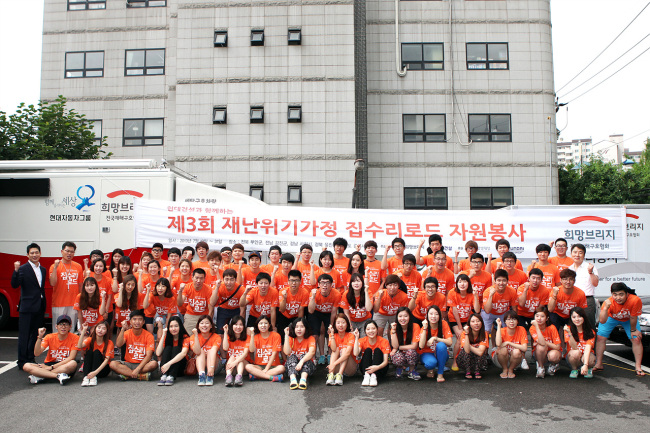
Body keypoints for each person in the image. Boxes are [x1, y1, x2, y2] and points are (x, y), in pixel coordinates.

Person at [595, 283, 645, 376]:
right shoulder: (608, 302)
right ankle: (599, 364)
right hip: (611, 318)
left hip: (628, 319)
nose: (618, 297)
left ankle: (638, 366)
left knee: (636, 339)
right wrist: (605, 308)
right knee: (601, 337)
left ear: (627, 294)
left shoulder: (635, 300)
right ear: (612, 294)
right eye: (615, 295)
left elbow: (633, 317)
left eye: (621, 294)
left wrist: (634, 330)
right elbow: (602, 321)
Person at [11, 243, 47, 370]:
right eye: (32, 253)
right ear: (27, 255)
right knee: (24, 335)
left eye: (36, 252)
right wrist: (15, 271)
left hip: (39, 306)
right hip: (26, 307)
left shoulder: (43, 269)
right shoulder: (22, 269)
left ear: (40, 253)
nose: (34, 255)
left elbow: (40, 288)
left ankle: (30, 358)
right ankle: (22, 361)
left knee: (35, 334)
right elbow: (14, 285)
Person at [23, 315, 79, 385]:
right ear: (56, 326)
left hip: (63, 364)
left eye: (66, 324)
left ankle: (41, 376)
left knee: (73, 363)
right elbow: (37, 353)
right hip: (49, 364)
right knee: (26, 366)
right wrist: (40, 337)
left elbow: (71, 357)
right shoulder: (49, 337)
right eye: (61, 324)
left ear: (70, 327)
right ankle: (57, 376)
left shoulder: (75, 338)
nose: (63, 327)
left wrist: (51, 367)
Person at [110, 310, 158, 380]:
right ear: (130, 321)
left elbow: (149, 356)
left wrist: (138, 369)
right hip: (128, 364)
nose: (137, 322)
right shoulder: (127, 333)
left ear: (143, 322)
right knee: (112, 364)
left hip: (143, 364)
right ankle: (140, 376)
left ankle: (127, 374)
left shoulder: (149, 336)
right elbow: (118, 344)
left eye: (140, 319)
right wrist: (123, 329)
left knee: (154, 364)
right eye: (134, 319)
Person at [548, 268, 588, 350]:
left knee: (576, 324)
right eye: (565, 279)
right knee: (553, 325)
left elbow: (581, 312)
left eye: (571, 279)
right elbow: (550, 309)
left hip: (571, 315)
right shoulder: (556, 290)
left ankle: (572, 348)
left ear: (574, 281)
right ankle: (556, 348)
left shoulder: (580, 293)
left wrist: (577, 321)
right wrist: (554, 295)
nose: (568, 282)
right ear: (561, 280)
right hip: (557, 314)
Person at [49, 241, 83, 333]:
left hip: (73, 304)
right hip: (58, 303)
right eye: (67, 251)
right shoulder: (54, 266)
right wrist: (56, 267)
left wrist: (80, 301)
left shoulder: (78, 266)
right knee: (58, 330)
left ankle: (69, 347)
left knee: (70, 329)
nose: (69, 253)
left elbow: (80, 285)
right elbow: (52, 283)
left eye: (72, 252)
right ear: (62, 251)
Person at [447, 274, 479, 370]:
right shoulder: (453, 292)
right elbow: (455, 311)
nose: (462, 284)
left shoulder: (471, 294)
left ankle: (468, 359)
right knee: (460, 337)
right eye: (460, 281)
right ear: (457, 283)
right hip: (455, 320)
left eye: (464, 281)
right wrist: (460, 327)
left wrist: (476, 296)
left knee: (467, 338)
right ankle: (455, 361)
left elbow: (477, 310)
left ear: (468, 283)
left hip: (467, 320)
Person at [308, 273, 342, 364]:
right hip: (316, 312)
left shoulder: (336, 294)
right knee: (315, 334)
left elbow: (334, 311)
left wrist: (331, 324)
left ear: (331, 285)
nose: (325, 285)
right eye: (322, 283)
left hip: (329, 313)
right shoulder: (314, 292)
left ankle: (330, 354)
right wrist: (313, 297)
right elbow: (310, 310)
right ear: (318, 284)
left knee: (330, 332)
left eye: (327, 283)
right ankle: (319, 355)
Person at [482, 269, 518, 345]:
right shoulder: (488, 291)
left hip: (503, 313)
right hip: (489, 313)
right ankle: (485, 352)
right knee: (486, 330)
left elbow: (514, 309)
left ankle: (506, 347)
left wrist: (514, 320)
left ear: (507, 281)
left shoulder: (512, 291)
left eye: (504, 280)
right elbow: (487, 310)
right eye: (499, 280)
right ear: (495, 281)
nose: (501, 283)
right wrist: (491, 296)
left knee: (507, 329)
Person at [246, 315, 285, 382]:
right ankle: (271, 377)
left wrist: (266, 369)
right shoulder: (255, 337)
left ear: (269, 325)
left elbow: (274, 354)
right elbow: (251, 350)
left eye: (266, 323)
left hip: (274, 366)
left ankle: (257, 375)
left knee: (282, 368)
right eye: (261, 323)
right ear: (257, 326)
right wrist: (252, 335)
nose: (263, 325)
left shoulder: (276, 336)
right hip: (259, 366)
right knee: (248, 366)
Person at [569, 243, 599, 328]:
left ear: (584, 254)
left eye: (580, 252)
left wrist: (591, 272)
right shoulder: (569, 268)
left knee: (589, 325)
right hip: (572, 300)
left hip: (587, 300)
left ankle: (591, 342)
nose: (577, 255)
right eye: (575, 252)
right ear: (571, 254)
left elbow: (595, 283)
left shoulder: (589, 267)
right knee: (574, 326)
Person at [419, 305, 452, 381]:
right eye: (431, 314)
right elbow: (421, 345)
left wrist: (435, 338)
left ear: (440, 316)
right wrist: (424, 328)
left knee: (441, 345)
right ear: (427, 316)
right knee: (431, 363)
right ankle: (431, 368)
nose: (433, 316)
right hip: (427, 353)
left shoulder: (443, 323)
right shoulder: (425, 326)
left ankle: (440, 374)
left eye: (436, 314)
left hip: (441, 353)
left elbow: (450, 342)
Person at [283, 317, 317, 390]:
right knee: (292, 357)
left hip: (307, 367)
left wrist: (301, 362)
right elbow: (286, 352)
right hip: (292, 366)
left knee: (305, 356)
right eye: (297, 327)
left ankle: (303, 380)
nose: (299, 329)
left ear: (306, 328)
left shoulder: (310, 338)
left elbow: (312, 352)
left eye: (302, 327)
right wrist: (286, 335)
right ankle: (293, 380)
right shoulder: (291, 338)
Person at [155, 315, 190, 386]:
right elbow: (158, 353)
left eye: (176, 326)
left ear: (180, 326)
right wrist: (164, 334)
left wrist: (168, 364)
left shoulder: (185, 337)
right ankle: (164, 376)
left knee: (176, 348)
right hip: (166, 368)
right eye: (171, 326)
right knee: (168, 348)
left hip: (180, 367)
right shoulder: (167, 337)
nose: (173, 328)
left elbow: (183, 354)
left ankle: (171, 376)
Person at [354, 320, 390, 387]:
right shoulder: (362, 340)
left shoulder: (384, 341)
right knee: (368, 350)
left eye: (373, 328)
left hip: (379, 369)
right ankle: (366, 376)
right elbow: (355, 353)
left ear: (377, 330)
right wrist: (356, 338)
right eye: (368, 329)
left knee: (377, 350)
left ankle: (374, 376)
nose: (371, 331)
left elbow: (386, 361)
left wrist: (377, 367)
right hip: (365, 368)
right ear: (365, 331)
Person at [77, 321, 113, 386]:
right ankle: (86, 377)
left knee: (97, 352)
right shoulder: (90, 339)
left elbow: (107, 360)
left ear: (106, 331)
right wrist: (83, 331)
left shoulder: (109, 342)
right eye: (99, 327)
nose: (100, 330)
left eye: (103, 329)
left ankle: (93, 378)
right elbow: (79, 346)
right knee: (90, 352)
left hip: (102, 370)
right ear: (95, 328)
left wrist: (95, 372)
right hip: (91, 369)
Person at [178, 268, 214, 334]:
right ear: (192, 277)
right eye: (196, 278)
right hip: (190, 315)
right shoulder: (187, 287)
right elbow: (180, 303)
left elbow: (211, 309)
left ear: (204, 279)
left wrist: (208, 321)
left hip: (204, 315)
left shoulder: (208, 289)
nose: (198, 281)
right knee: (187, 336)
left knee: (203, 336)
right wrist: (180, 291)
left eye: (201, 278)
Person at [529, 306, 561, 378]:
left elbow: (557, 346)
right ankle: (540, 367)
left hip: (552, 352)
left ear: (547, 318)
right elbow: (542, 344)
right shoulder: (532, 328)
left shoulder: (552, 327)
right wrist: (537, 327)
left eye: (542, 316)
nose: (539, 318)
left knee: (553, 355)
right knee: (541, 346)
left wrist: (543, 342)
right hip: (539, 354)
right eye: (537, 316)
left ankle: (553, 365)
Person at [493, 311, 528, 379]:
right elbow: (498, 344)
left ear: (517, 321)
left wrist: (508, 343)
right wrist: (499, 327)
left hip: (516, 360)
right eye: (509, 319)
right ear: (505, 322)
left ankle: (511, 369)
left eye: (514, 319)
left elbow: (524, 348)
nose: (511, 321)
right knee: (503, 350)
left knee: (517, 351)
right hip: (500, 360)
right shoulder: (502, 330)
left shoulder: (521, 329)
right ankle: (505, 369)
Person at [277, 269, 309, 341]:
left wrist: (299, 325)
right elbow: (282, 310)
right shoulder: (283, 291)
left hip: (296, 316)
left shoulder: (305, 293)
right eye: (291, 280)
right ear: (288, 281)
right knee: (281, 333)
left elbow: (301, 310)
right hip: (284, 315)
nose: (294, 283)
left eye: (296, 280)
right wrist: (284, 298)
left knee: (298, 331)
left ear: (300, 282)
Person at [456, 313, 490, 379]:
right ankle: (467, 371)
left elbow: (480, 352)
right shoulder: (464, 333)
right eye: (473, 321)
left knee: (481, 353)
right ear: (469, 324)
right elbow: (467, 350)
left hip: (478, 360)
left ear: (481, 323)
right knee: (466, 351)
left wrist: (469, 345)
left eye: (478, 321)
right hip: (463, 360)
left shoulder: (484, 333)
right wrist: (466, 333)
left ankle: (477, 371)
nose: (476, 323)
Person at [390, 306, 421, 380]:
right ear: (397, 317)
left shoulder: (415, 326)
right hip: (401, 353)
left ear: (409, 317)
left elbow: (414, 346)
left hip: (412, 353)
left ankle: (411, 370)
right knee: (396, 356)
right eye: (400, 316)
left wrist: (398, 348)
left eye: (405, 316)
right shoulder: (394, 327)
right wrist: (393, 331)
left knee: (411, 352)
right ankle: (399, 368)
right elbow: (394, 346)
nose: (403, 319)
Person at [564, 307, 596, 379]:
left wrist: (585, 364)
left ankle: (588, 368)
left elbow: (588, 349)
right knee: (575, 352)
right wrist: (569, 333)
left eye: (579, 316)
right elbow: (574, 347)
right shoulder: (568, 329)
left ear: (584, 317)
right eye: (574, 317)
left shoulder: (590, 331)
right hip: (574, 357)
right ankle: (574, 369)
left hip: (586, 356)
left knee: (590, 358)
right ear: (571, 318)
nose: (577, 319)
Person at [190, 314, 221, 386]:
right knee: (201, 352)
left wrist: (211, 368)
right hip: (199, 367)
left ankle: (210, 376)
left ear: (211, 326)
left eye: (207, 323)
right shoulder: (193, 337)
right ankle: (202, 376)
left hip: (214, 366)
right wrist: (196, 336)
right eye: (202, 323)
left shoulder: (216, 337)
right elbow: (197, 352)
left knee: (211, 351)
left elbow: (213, 351)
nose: (204, 325)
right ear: (198, 326)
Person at [325, 313, 357, 385]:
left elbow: (347, 354)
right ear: (335, 325)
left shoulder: (350, 335)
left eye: (343, 322)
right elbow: (333, 349)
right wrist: (332, 334)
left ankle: (340, 375)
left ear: (347, 324)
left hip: (350, 368)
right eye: (338, 323)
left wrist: (333, 364)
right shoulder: (332, 335)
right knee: (335, 349)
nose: (340, 325)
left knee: (344, 350)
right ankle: (331, 375)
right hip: (337, 366)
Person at [211, 268, 245, 333]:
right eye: (226, 279)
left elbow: (243, 309)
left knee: (237, 330)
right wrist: (217, 288)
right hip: (223, 310)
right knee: (220, 331)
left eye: (231, 279)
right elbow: (212, 303)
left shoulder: (241, 289)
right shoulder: (219, 286)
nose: (229, 282)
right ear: (223, 279)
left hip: (236, 309)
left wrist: (241, 322)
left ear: (235, 280)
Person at [222, 315, 250, 386]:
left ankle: (239, 377)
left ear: (244, 327)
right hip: (231, 367)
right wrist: (225, 332)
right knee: (232, 356)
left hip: (244, 366)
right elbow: (225, 348)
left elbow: (245, 354)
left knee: (238, 357)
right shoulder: (228, 336)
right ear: (232, 326)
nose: (238, 327)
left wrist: (235, 362)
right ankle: (228, 377)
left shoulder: (247, 337)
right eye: (236, 324)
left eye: (241, 325)